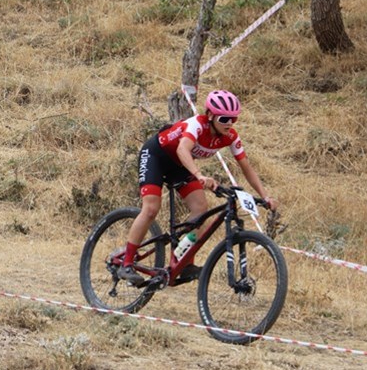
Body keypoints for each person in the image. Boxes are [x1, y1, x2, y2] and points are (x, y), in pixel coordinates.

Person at [118, 89, 278, 286]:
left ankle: (183, 262)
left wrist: (265, 196)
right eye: (224, 118)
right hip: (156, 157)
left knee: (200, 212)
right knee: (151, 208)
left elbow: (247, 168)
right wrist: (200, 175)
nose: (229, 123)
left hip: (179, 166)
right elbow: (182, 148)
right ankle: (126, 263)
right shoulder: (197, 125)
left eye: (233, 119)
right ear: (210, 115)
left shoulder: (230, 136)